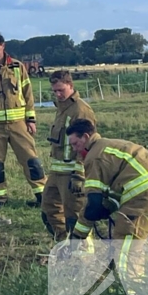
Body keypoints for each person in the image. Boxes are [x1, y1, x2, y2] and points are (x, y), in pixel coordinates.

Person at [66, 118, 148, 242]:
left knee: (126, 240)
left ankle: (125, 262)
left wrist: (76, 237)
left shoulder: (94, 156)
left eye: (75, 144)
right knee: (138, 234)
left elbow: (93, 205)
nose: (74, 149)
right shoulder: (109, 144)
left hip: (143, 191)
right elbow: (111, 195)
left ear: (85, 137)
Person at [0, 33, 45, 207]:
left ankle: (43, 196)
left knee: (31, 160)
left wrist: (31, 119)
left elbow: (28, 95)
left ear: (3, 46)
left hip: (19, 124)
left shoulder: (18, 67)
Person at [42, 70, 97, 241]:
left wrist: (79, 173)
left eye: (61, 90)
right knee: (48, 209)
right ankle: (63, 244)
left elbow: (87, 144)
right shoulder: (62, 108)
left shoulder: (80, 110)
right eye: (55, 91)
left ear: (71, 86)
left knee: (75, 216)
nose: (58, 94)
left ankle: (84, 254)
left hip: (72, 174)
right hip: (56, 171)